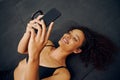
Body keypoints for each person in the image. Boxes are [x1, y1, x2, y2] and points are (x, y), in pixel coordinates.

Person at [0, 15, 116, 80]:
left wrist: (35, 56)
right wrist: (28, 32)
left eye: (75, 39)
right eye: (69, 33)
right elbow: (21, 50)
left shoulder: (63, 74)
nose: (68, 36)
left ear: (77, 50)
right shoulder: (46, 43)